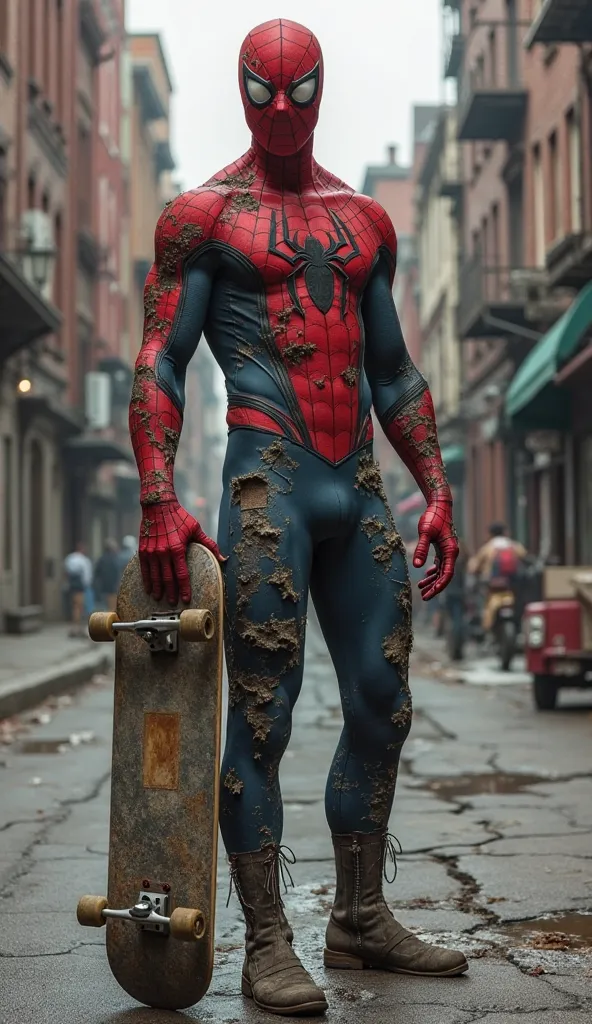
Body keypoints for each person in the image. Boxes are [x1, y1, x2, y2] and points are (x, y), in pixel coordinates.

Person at [128, 19, 466, 1016]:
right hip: (264, 478)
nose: (281, 111)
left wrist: (437, 485)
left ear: (322, 90)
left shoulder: (365, 222)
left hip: (355, 480)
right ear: (240, 90)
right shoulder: (204, 216)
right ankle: (265, 942)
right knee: (263, 714)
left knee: (381, 698)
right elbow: (158, 360)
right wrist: (158, 497)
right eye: (261, 90)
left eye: (300, 90)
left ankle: (358, 916)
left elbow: (394, 369)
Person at [468, 523, 527, 633]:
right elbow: (525, 557)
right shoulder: (513, 545)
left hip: (493, 584)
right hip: (511, 584)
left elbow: (474, 566)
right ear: (505, 532)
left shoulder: (488, 547)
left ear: (490, 534)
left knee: (483, 602)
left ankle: (486, 628)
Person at [64, 542, 93, 638]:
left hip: (72, 587)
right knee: (79, 607)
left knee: (74, 606)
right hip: (80, 587)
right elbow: (87, 576)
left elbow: (66, 571)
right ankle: (77, 628)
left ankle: (75, 628)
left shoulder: (70, 558)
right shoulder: (84, 560)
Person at [93, 539, 121, 612]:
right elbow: (117, 573)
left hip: (102, 587)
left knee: (103, 607)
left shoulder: (101, 559)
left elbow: (96, 574)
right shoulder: (114, 559)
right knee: (112, 607)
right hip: (112, 588)